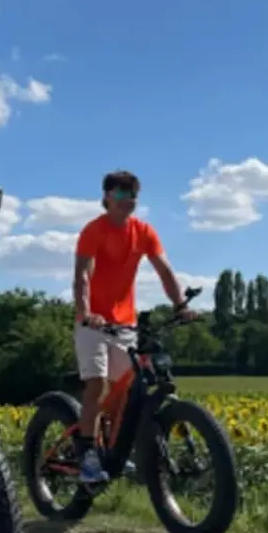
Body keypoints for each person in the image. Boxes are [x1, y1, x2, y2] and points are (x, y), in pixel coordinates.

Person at [72, 170, 194, 484]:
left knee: (127, 391)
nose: (129, 201)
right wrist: (86, 312)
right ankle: (86, 456)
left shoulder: (143, 232)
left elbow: (164, 270)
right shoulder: (93, 231)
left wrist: (180, 305)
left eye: (133, 196)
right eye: (122, 195)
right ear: (107, 197)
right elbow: (82, 275)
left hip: (125, 323)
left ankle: (112, 449)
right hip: (92, 323)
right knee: (97, 385)